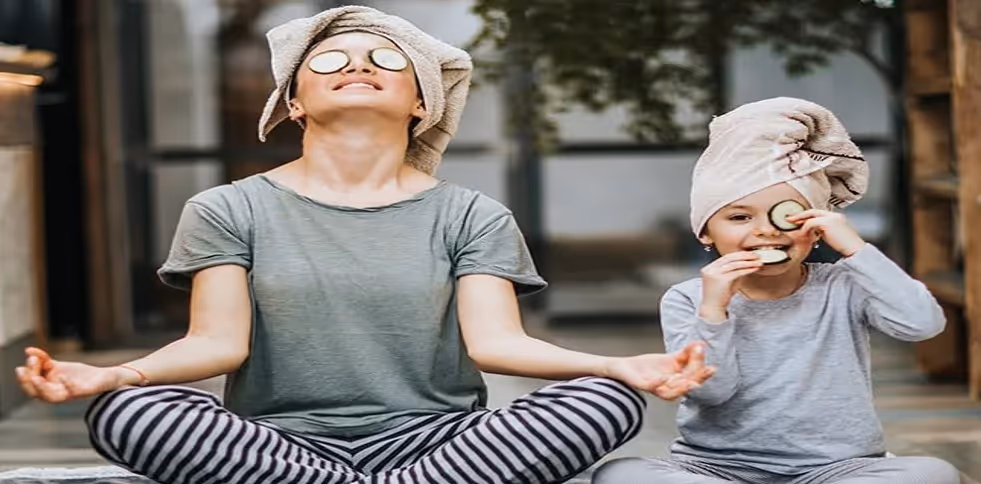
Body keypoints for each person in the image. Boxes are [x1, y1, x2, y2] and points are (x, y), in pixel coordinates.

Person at [15, 6, 713, 484]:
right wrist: (112, 377)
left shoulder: (470, 214)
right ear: (294, 102)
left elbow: (497, 345)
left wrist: (623, 367)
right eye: (329, 61)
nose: (357, 64)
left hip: (436, 440)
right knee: (128, 414)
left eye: (384, 58)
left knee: (605, 400)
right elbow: (215, 345)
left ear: (421, 102)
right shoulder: (228, 208)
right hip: (278, 443)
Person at [593, 97, 962, 484]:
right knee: (622, 474)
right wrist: (714, 310)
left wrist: (856, 249)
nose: (766, 230)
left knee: (932, 473)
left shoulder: (844, 284)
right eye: (738, 217)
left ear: (817, 227)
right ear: (705, 232)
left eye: (787, 215)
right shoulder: (688, 298)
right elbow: (711, 393)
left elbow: (923, 324)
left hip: (838, 469)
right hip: (715, 470)